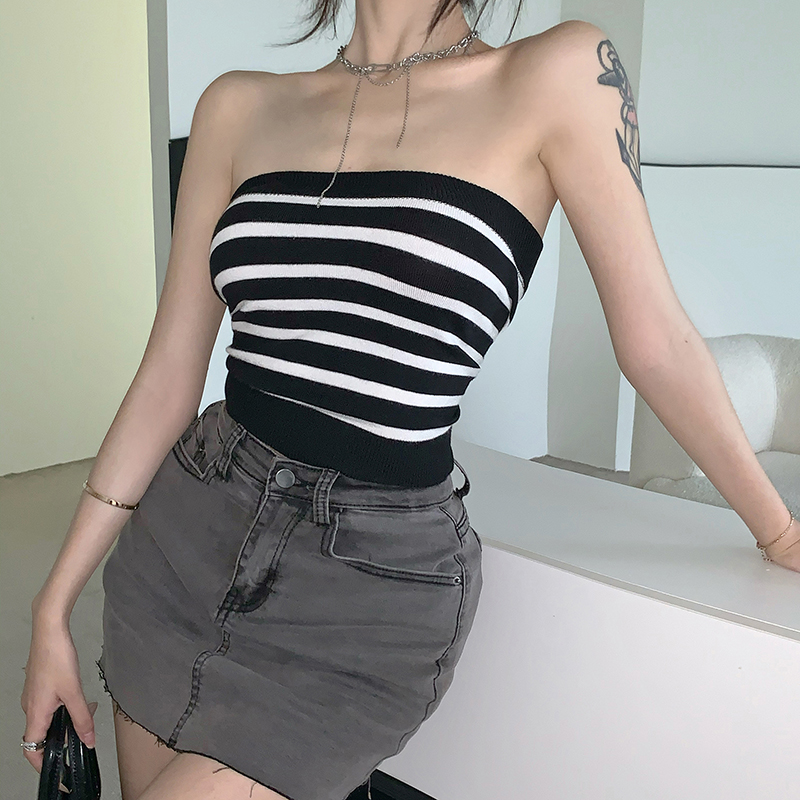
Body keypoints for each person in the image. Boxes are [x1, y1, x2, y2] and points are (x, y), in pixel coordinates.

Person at [21, 0, 799, 798]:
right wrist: (54, 604)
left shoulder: (557, 74)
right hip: (186, 543)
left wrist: (778, 531)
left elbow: (657, 342)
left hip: (367, 587)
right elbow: (168, 374)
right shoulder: (236, 106)